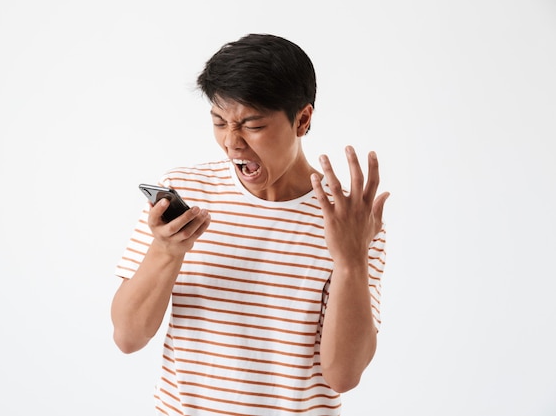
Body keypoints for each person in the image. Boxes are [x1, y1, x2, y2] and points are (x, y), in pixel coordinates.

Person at [111, 33, 389, 416]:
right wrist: (167, 250)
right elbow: (128, 337)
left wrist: (350, 261)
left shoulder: (349, 220)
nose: (231, 143)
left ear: (302, 119)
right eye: (219, 122)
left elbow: (343, 375)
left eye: (252, 125)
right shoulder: (187, 192)